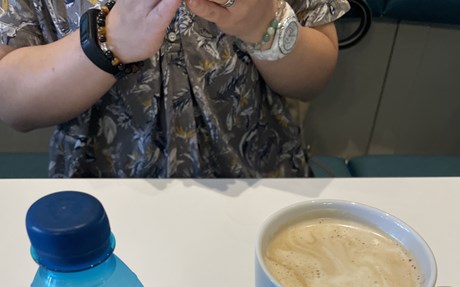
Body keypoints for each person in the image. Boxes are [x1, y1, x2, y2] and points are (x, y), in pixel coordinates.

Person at [0, 0, 350, 178]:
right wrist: (111, 41)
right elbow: (12, 102)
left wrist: (265, 27)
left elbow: (314, 78)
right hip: (99, 199)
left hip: (258, 181)